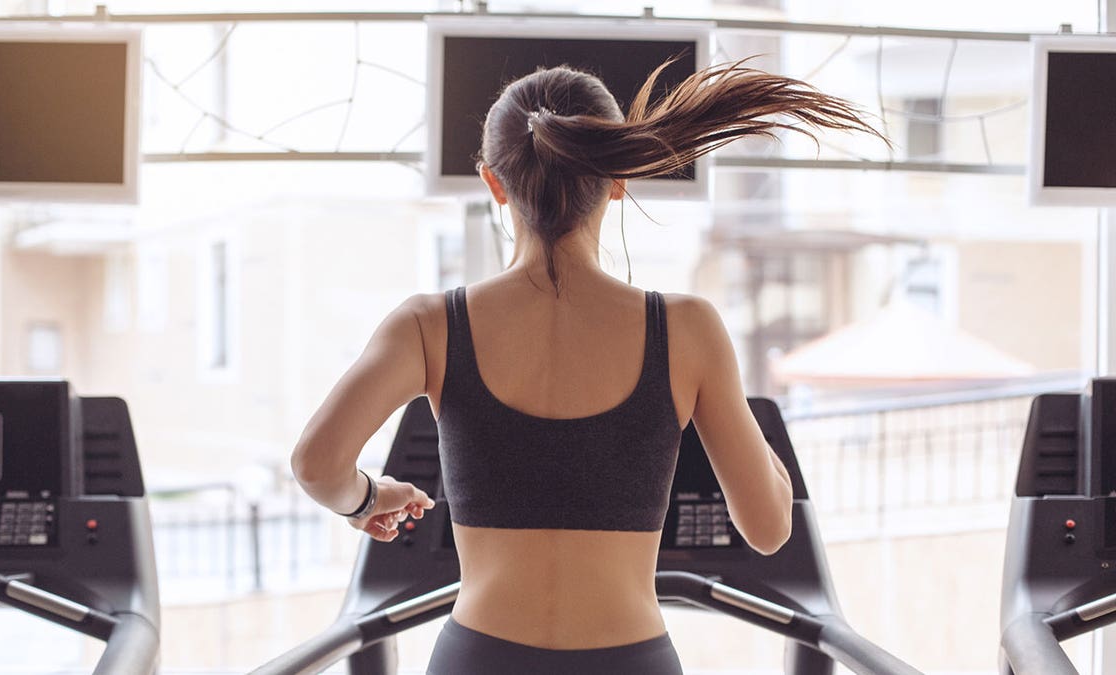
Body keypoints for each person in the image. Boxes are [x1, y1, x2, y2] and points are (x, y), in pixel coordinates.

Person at [291, 58, 884, 674]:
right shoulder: (688, 330)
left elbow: (316, 464)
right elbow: (767, 529)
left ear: (493, 183)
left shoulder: (430, 326)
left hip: (478, 657)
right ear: (619, 178)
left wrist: (366, 500)